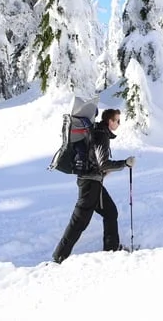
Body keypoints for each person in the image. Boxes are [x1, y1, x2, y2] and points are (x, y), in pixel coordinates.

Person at [52, 108, 135, 263]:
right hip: (90, 185)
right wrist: (124, 163)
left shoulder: (97, 132)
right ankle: (59, 257)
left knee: (110, 212)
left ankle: (112, 249)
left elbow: (96, 162)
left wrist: (103, 173)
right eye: (117, 120)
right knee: (79, 222)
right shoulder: (102, 134)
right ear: (110, 121)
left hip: (93, 182)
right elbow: (103, 163)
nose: (118, 123)